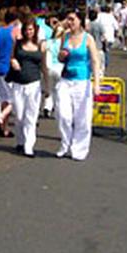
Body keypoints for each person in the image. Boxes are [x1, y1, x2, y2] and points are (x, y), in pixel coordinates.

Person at [55, 9, 101, 161]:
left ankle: (79, 149)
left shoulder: (88, 39)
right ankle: (64, 144)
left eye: (72, 19)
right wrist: (61, 56)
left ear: (80, 21)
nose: (69, 22)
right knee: (63, 114)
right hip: (66, 79)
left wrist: (96, 83)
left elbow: (95, 61)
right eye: (68, 19)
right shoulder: (65, 37)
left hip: (82, 80)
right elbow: (61, 57)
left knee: (82, 117)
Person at [9, 17, 46, 157]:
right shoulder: (17, 44)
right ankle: (20, 141)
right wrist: (13, 62)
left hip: (34, 83)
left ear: (35, 30)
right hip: (18, 84)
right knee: (19, 116)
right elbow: (11, 57)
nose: (28, 32)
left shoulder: (40, 45)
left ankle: (29, 146)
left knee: (31, 117)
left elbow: (44, 66)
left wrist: (47, 86)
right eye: (26, 29)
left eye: (31, 29)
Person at [0, 9, 18, 137]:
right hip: (9, 68)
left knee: (3, 99)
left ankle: (3, 128)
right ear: (15, 20)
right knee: (15, 99)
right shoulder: (15, 32)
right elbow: (16, 50)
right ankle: (1, 117)